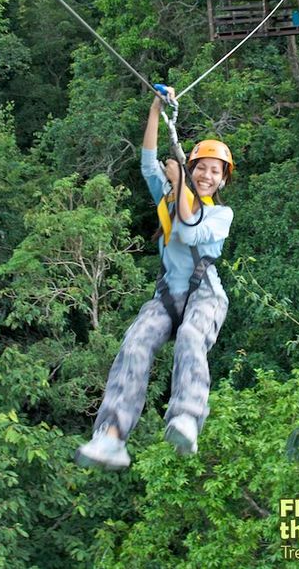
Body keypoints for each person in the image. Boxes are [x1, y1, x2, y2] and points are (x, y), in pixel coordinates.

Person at [75, 87, 234, 470]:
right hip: (167, 294)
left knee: (193, 338)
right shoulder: (168, 193)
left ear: (223, 181)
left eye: (215, 171)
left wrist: (180, 181)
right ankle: (111, 436)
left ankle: (187, 416)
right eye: (201, 168)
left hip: (205, 296)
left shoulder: (220, 216)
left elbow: (188, 230)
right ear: (191, 168)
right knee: (135, 343)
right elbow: (148, 161)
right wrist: (155, 108)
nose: (207, 175)